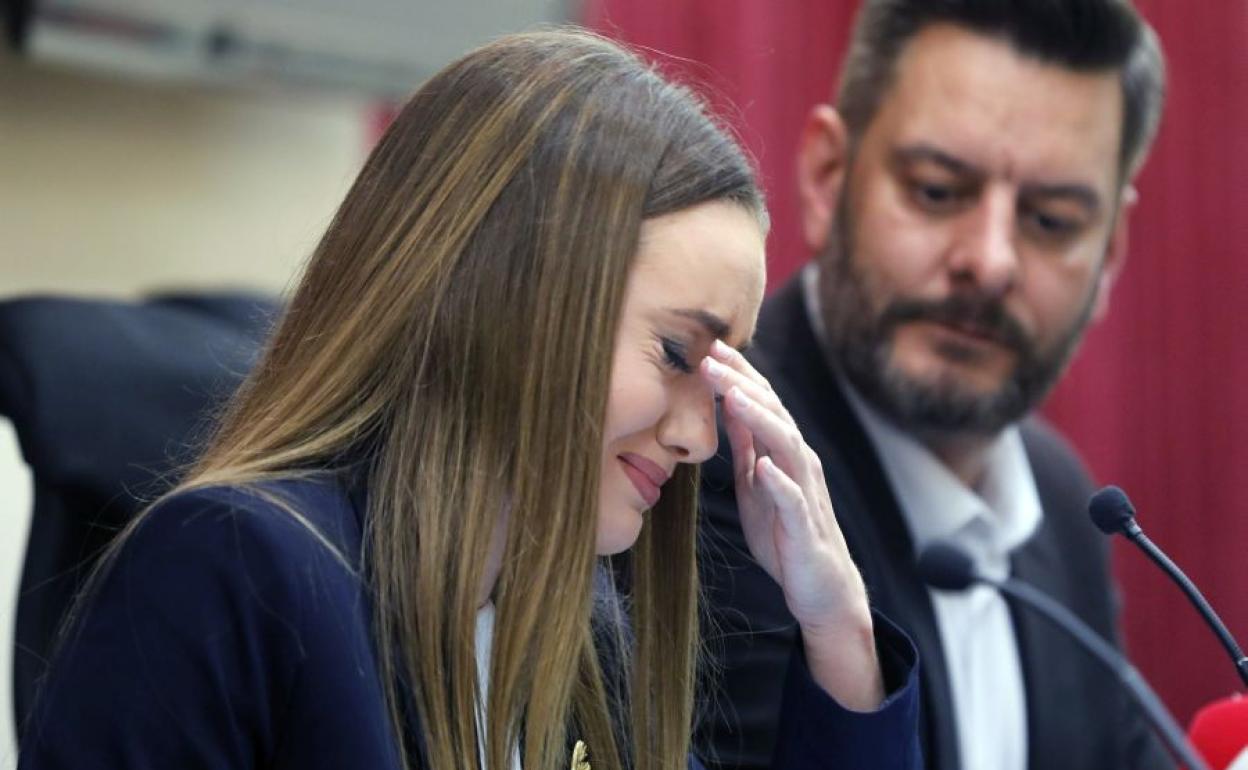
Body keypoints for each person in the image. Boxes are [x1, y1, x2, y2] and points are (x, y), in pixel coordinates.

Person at [18, 29, 922, 770]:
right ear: (511, 303)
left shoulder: (578, 637)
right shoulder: (237, 570)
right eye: (678, 351)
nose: (699, 437)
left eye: (724, 374)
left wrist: (834, 624)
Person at [695, 2, 1171, 769]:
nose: (990, 262)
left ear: (1110, 255)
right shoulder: (717, 455)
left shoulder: (1068, 507)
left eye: (1050, 221)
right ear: (825, 178)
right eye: (937, 191)